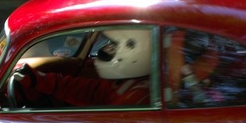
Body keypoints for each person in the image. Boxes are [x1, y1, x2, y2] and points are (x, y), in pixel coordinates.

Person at [13, 29, 152, 107]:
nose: (108, 48)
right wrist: (39, 80)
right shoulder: (129, 84)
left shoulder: (136, 98)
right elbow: (90, 92)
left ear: (134, 50)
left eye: (114, 45)